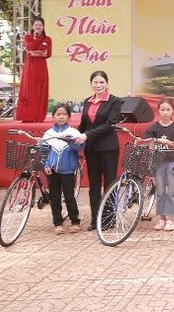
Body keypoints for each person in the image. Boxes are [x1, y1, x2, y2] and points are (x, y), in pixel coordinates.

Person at [75, 70, 122, 231]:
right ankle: (96, 219)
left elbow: (109, 124)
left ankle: (109, 218)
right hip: (91, 149)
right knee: (94, 185)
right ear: (91, 84)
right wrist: (72, 135)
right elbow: (84, 125)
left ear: (107, 84)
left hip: (108, 148)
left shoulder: (115, 101)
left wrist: (86, 135)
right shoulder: (87, 101)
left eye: (102, 82)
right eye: (95, 82)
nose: (98, 85)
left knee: (110, 183)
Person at [144, 98, 174, 232]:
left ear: (173, 111)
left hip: (172, 162)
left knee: (172, 191)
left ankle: (170, 219)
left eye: (168, 109)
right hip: (159, 163)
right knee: (160, 192)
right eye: (163, 109)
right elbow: (151, 145)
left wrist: (168, 143)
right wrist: (151, 160)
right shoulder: (154, 127)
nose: (165, 112)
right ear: (158, 111)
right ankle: (161, 218)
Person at [42, 103, 84, 234]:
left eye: (64, 114)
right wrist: (45, 165)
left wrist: (71, 141)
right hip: (52, 171)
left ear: (69, 117)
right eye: (58, 114)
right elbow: (43, 152)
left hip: (68, 171)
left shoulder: (73, 132)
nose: (61, 117)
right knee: (54, 198)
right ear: (53, 117)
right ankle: (58, 223)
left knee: (69, 197)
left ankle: (75, 221)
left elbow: (80, 147)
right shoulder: (48, 134)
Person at [15, 17, 52, 123]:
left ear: (43, 27)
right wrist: (36, 41)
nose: (38, 27)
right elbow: (30, 48)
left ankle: (39, 117)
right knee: (29, 91)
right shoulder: (28, 37)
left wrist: (35, 53)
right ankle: (28, 116)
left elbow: (47, 53)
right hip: (30, 68)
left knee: (41, 90)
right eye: (36, 25)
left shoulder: (47, 39)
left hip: (41, 68)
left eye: (40, 25)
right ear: (32, 27)